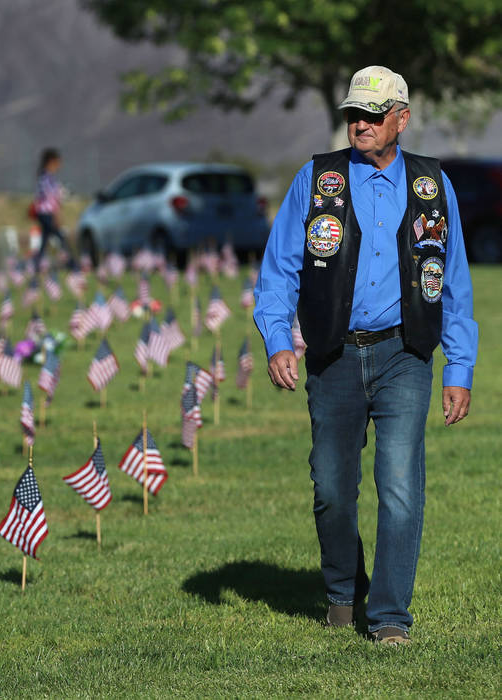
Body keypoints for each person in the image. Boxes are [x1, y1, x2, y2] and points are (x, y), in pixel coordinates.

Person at [253, 66, 477, 646]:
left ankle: (390, 618)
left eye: (373, 115)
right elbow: (278, 269)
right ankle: (340, 593)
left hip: (406, 353)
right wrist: (278, 338)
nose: (361, 124)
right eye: (354, 113)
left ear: (401, 119)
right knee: (331, 488)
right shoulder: (316, 177)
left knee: (400, 486)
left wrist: (460, 366)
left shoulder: (433, 185)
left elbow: (453, 285)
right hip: (334, 355)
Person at [32, 147, 74, 268]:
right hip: (47, 213)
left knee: (45, 241)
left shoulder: (44, 177)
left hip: (43, 213)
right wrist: (56, 215)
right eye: (58, 162)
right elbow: (51, 199)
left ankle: (36, 265)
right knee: (60, 238)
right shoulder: (47, 178)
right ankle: (73, 265)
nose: (60, 165)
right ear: (52, 161)